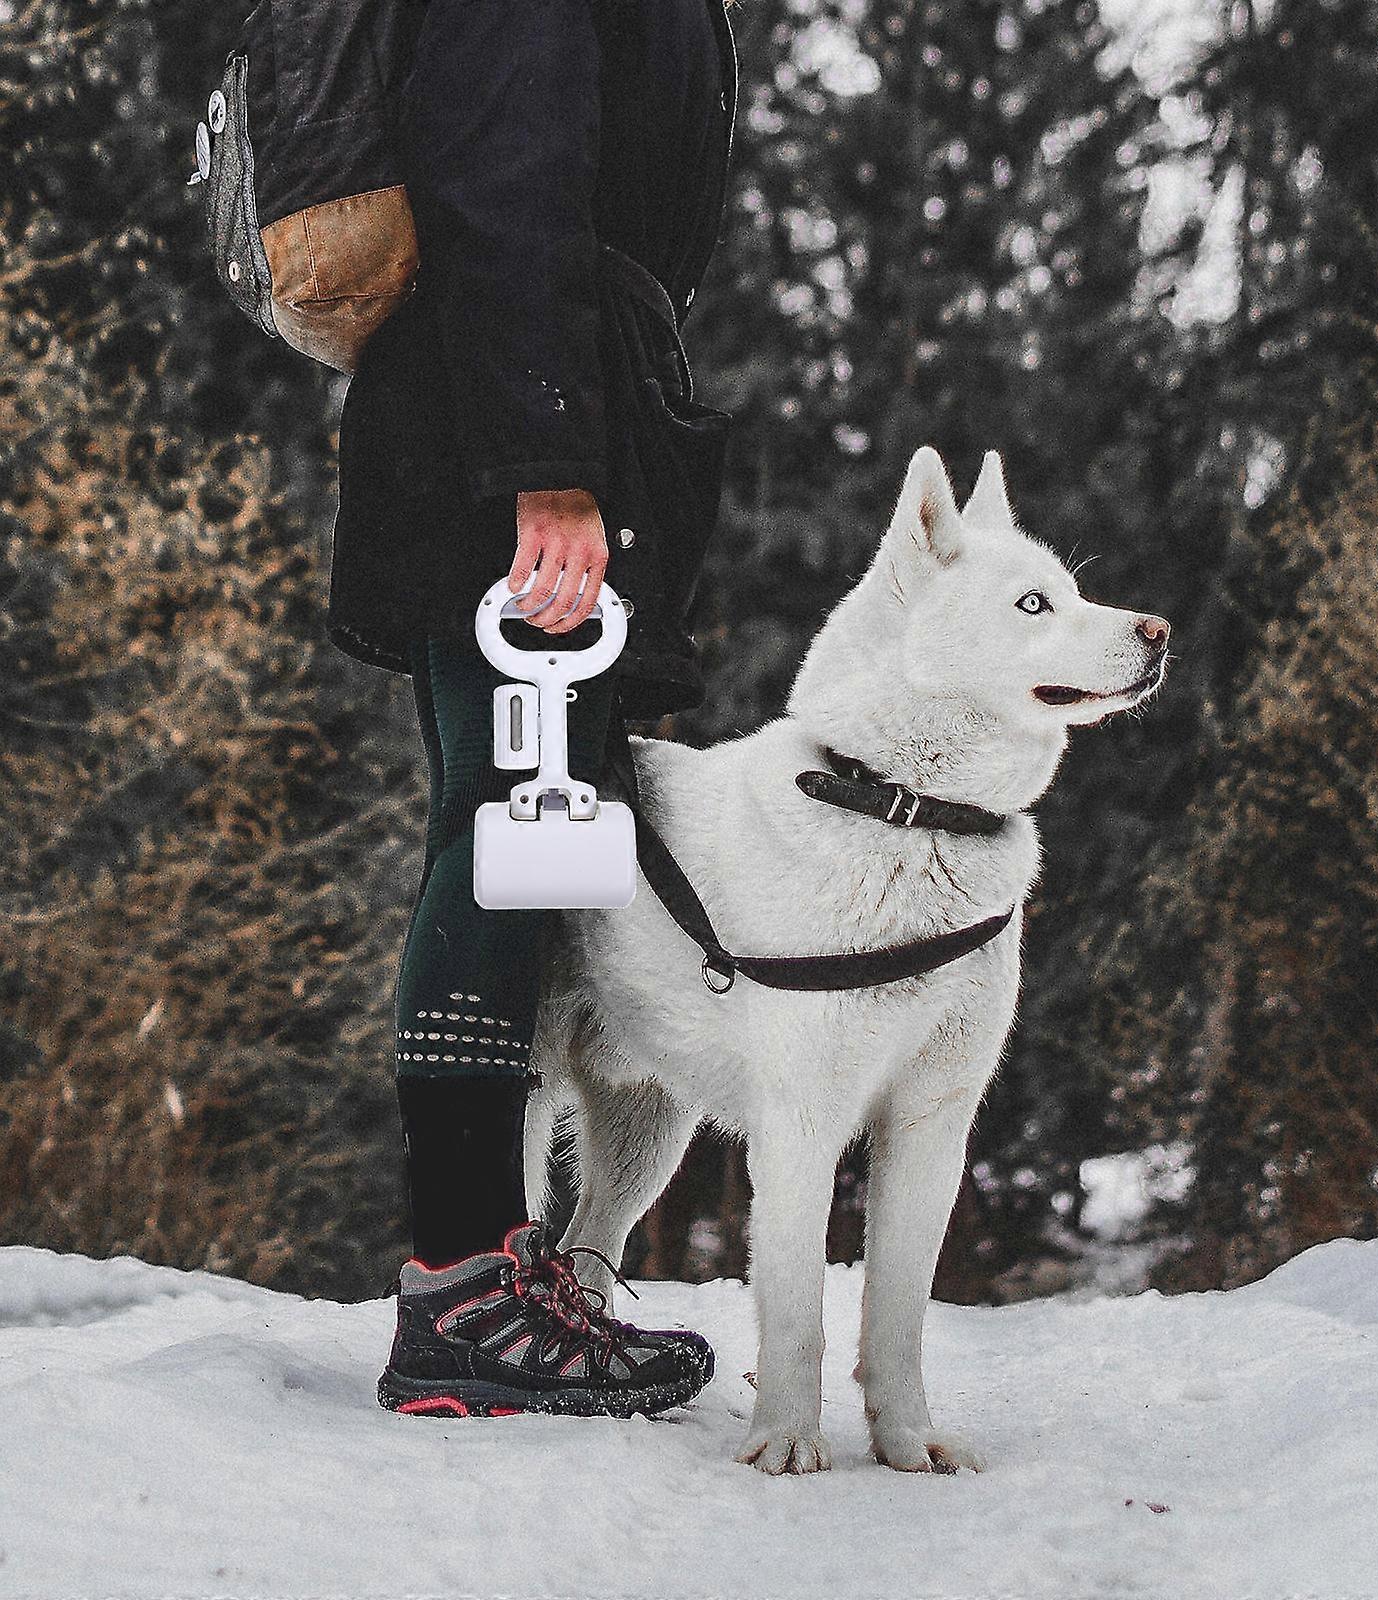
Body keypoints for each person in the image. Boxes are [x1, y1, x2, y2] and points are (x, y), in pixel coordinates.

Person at [322, 0, 738, 1419]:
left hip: (508, 417)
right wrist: (547, 466)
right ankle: (459, 1288)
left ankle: (482, 1272)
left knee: (515, 838)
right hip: (502, 439)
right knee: (508, 837)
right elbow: (501, 176)